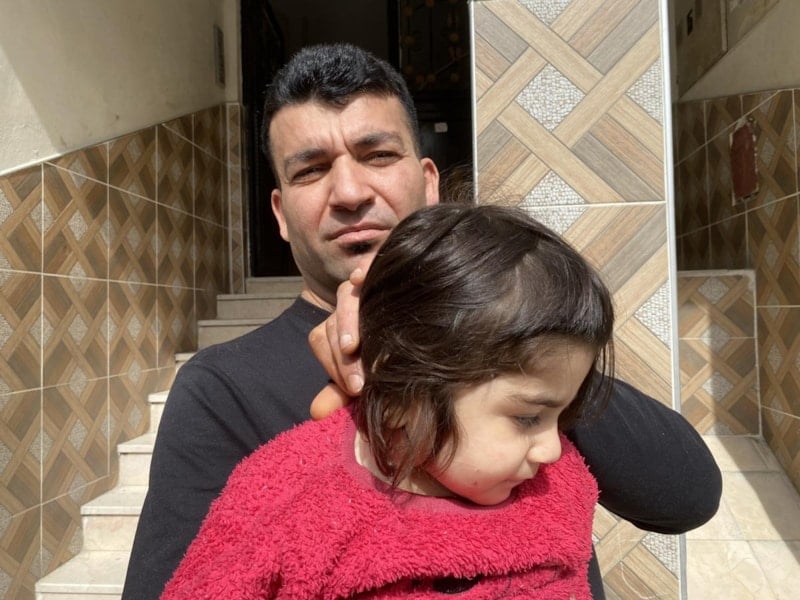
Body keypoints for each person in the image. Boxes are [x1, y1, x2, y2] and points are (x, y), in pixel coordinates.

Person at [122, 43, 721, 600]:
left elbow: (686, 495)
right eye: (311, 170)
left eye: (378, 155)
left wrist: (501, 344)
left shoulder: (517, 340)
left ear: (430, 183)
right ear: (280, 214)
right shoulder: (221, 387)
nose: (349, 192)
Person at [161, 203, 615, 599]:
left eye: (562, 416)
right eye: (528, 417)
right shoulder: (294, 500)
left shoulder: (555, 489)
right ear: (402, 393)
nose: (553, 450)